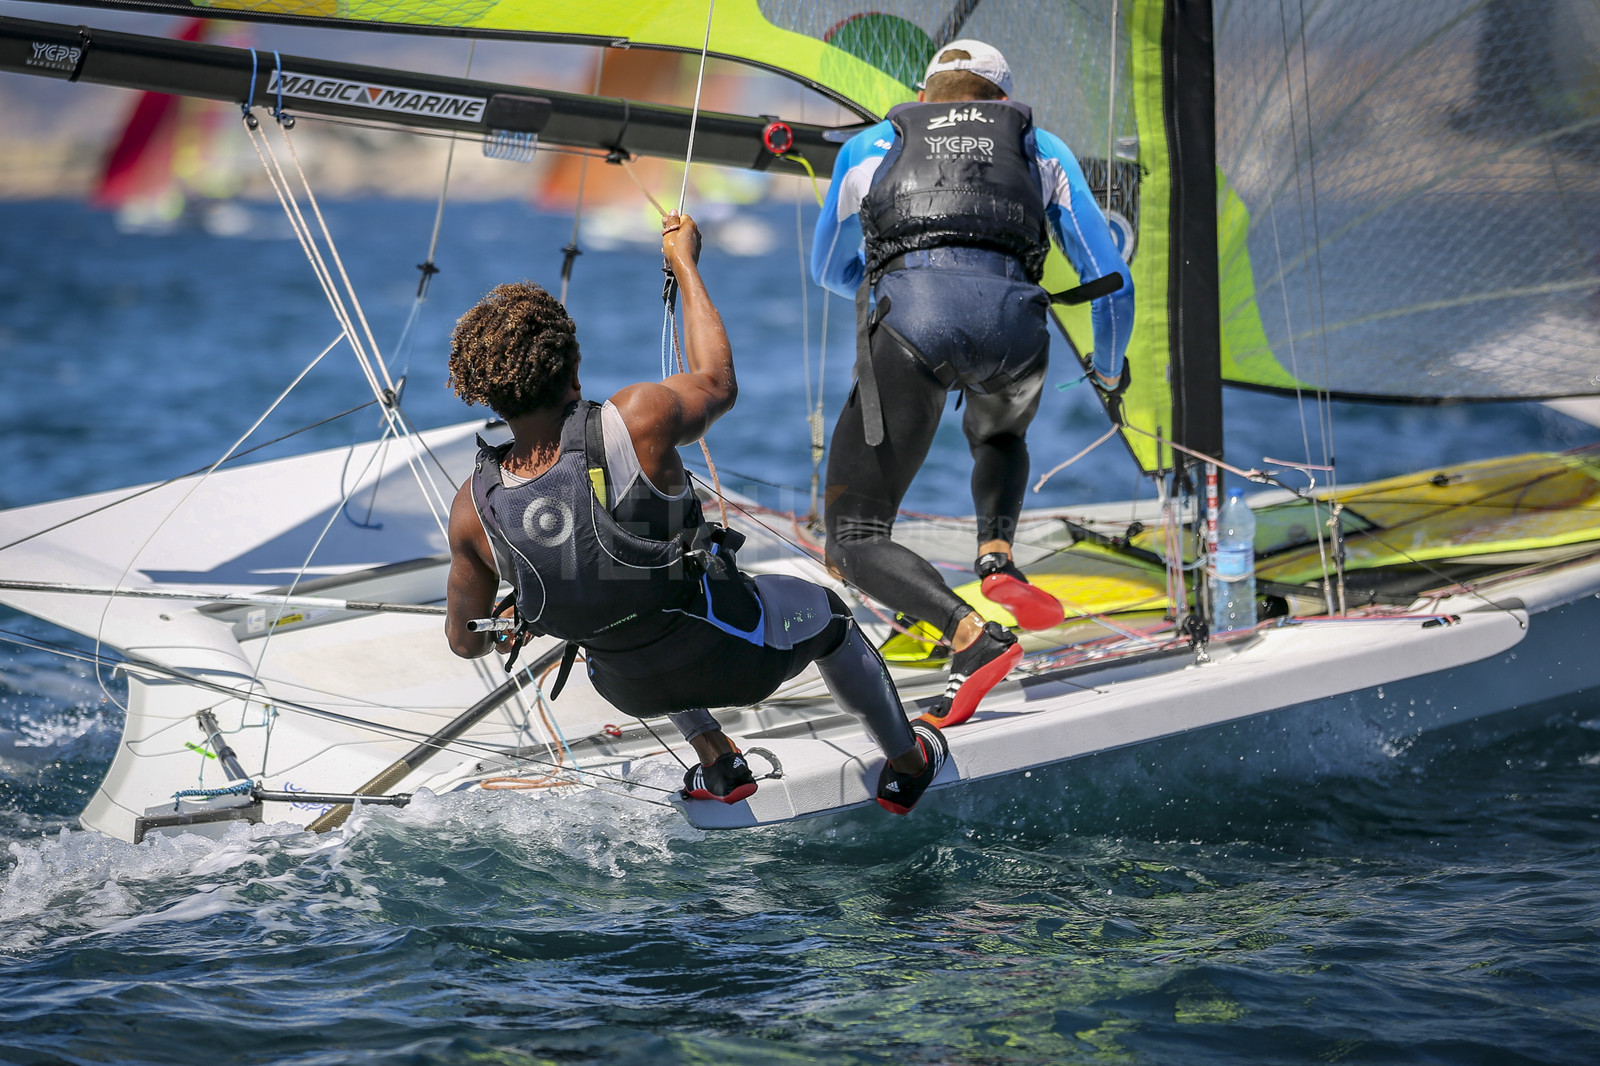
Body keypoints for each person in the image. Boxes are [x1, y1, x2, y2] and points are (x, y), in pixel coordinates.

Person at [444, 213, 948, 815]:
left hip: (630, 690)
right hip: (736, 657)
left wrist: (518, 616)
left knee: (626, 608)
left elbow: (466, 643)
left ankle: (716, 760)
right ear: (572, 368)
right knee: (830, 619)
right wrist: (685, 262)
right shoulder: (636, 419)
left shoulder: (473, 510)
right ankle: (908, 763)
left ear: (488, 393)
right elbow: (717, 381)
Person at [811, 40, 1134, 730]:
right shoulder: (1041, 147)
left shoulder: (872, 147)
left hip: (916, 328)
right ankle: (997, 558)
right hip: (1018, 333)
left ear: (926, 96)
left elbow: (829, 270)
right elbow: (1112, 283)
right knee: (999, 432)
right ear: (1003, 100)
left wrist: (885, 282)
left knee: (854, 537)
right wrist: (1107, 369)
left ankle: (970, 637)